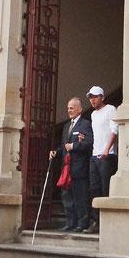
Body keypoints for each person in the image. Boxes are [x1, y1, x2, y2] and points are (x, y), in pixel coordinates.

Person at [48, 97, 92, 232]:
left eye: (72, 108)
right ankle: (70, 222)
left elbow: (88, 143)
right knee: (66, 197)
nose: (69, 110)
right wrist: (55, 152)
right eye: (68, 108)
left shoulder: (85, 124)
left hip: (79, 167)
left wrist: (74, 146)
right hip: (66, 168)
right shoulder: (67, 126)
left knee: (80, 196)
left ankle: (82, 223)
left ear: (79, 109)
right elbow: (63, 146)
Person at [84, 85, 118, 233]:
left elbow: (114, 130)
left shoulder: (110, 109)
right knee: (94, 189)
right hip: (94, 155)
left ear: (102, 97)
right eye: (91, 97)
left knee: (105, 188)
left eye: (95, 96)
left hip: (107, 155)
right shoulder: (93, 115)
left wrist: (107, 149)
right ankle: (96, 221)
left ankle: (107, 222)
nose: (92, 100)